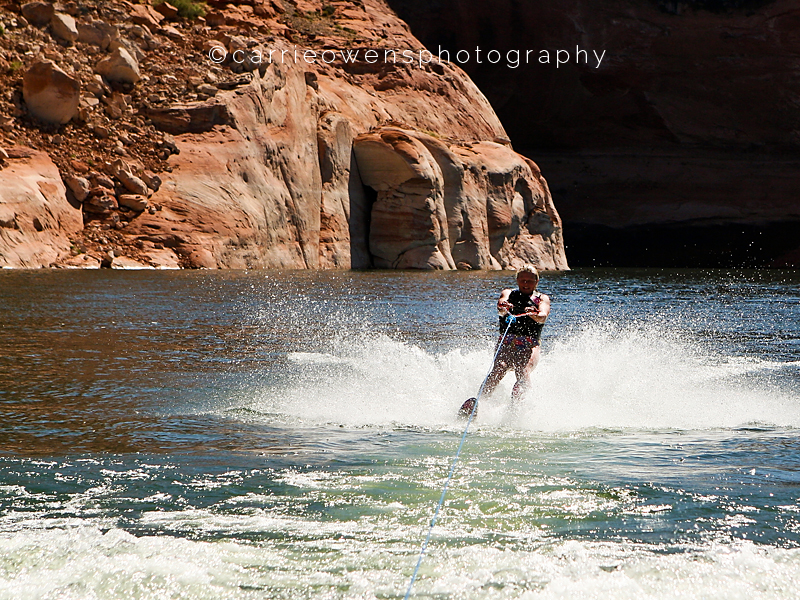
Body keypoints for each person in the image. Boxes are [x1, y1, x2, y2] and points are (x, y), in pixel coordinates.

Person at [460, 265, 550, 417]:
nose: (526, 283)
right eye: (522, 280)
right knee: (499, 369)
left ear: (536, 282)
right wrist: (503, 307)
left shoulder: (542, 299)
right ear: (517, 280)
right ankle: (478, 403)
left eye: (529, 281)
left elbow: (543, 315)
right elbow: (501, 307)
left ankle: (520, 407)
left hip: (529, 345)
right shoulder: (508, 293)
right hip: (507, 343)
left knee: (522, 369)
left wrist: (534, 314)